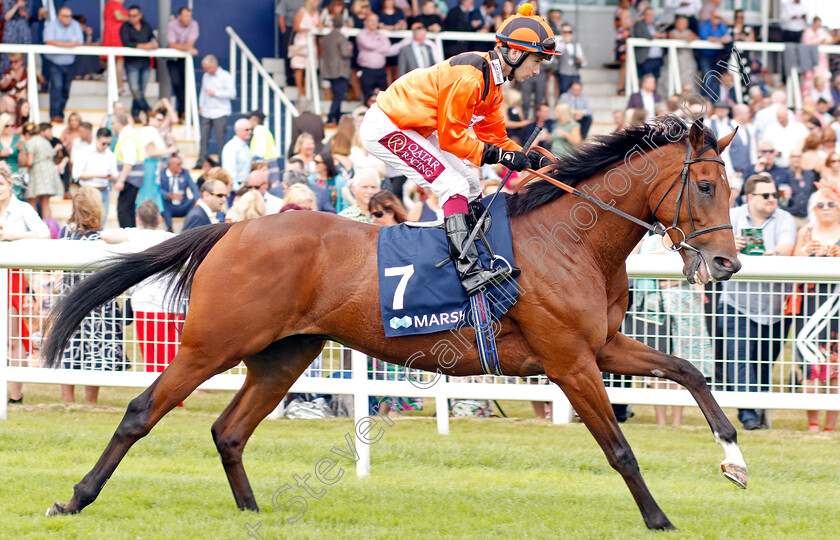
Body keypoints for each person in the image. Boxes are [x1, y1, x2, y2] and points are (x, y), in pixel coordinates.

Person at [360, 3, 552, 296]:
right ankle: (467, 271)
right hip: (388, 126)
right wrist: (501, 156)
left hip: (417, 127)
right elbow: (452, 138)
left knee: (473, 182)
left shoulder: (494, 84)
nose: (537, 70)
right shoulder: (470, 76)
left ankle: (482, 256)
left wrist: (526, 157)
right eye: (536, 61)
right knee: (453, 185)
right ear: (515, 53)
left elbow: (493, 136)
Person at [719, 174, 796, 431]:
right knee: (739, 359)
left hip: (774, 308)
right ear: (751, 198)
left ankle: (758, 409)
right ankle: (748, 416)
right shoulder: (731, 216)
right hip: (736, 302)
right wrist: (732, 245)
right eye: (766, 195)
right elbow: (715, 247)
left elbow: (787, 245)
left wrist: (772, 253)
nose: (772, 199)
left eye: (775, 195)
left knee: (764, 363)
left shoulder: (784, 218)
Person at [101, 200, 186, 374]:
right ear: (160, 219)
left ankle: (158, 398)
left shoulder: (135, 235)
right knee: (174, 354)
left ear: (138, 221)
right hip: (174, 304)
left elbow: (106, 235)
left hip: (147, 305)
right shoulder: (172, 238)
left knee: (154, 358)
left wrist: (131, 232)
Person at [59, 187, 124, 405]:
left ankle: (67, 400)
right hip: (96, 303)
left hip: (70, 299)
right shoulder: (102, 238)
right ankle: (90, 402)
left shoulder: (65, 233)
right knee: (96, 349)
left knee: (69, 346)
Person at [1, 161, 50, 405]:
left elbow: (44, 233)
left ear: (10, 184)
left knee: (13, 334)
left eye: (1, 184)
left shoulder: (22, 209)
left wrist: (12, 236)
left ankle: (15, 393)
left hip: (13, 275)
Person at [791, 190, 840, 433]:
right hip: (810, 305)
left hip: (836, 305)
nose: (826, 208)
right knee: (811, 365)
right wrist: (808, 251)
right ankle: (812, 423)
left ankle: (830, 426)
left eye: (831, 203)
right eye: (820, 204)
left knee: (835, 368)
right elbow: (794, 260)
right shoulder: (806, 232)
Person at [356, 12, 410, 103]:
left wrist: (378, 47)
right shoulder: (361, 34)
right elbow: (369, 45)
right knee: (367, 96)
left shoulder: (381, 35)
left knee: (384, 95)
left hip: (380, 70)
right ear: (366, 22)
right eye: (371, 20)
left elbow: (387, 48)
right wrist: (381, 46)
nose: (373, 23)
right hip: (367, 70)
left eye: (375, 21)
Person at [43, 6, 83, 123]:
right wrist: (67, 44)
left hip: (70, 62)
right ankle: (55, 115)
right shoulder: (52, 25)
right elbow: (48, 40)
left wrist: (63, 44)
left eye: (70, 16)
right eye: (66, 16)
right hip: (55, 62)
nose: (69, 19)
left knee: (66, 89)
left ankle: (60, 113)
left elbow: (80, 42)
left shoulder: (75, 25)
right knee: (57, 87)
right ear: (59, 16)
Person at [72, 127, 118, 227]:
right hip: (88, 192)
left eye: (108, 144)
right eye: (103, 143)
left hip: (104, 191)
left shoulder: (110, 155)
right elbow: (76, 174)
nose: (106, 146)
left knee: (101, 224)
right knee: (85, 223)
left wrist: (110, 177)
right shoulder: (84, 152)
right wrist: (97, 176)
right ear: (96, 139)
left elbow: (115, 177)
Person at [120, 5, 157, 119]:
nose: (131, 18)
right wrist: (142, 46)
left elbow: (152, 38)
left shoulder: (146, 26)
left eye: (134, 16)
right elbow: (126, 42)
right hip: (132, 63)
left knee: (141, 90)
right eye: (129, 16)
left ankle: (135, 114)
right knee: (135, 89)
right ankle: (147, 109)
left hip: (145, 63)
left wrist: (154, 44)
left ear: (140, 16)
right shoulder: (125, 27)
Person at [198, 54, 235, 167]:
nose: (205, 70)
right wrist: (201, 105)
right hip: (207, 111)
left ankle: (222, 161)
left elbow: (232, 94)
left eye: (206, 68)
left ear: (213, 66)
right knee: (204, 137)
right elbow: (203, 92)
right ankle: (201, 160)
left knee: (220, 138)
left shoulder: (225, 76)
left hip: (220, 111)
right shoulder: (206, 76)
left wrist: (216, 93)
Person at [136, 110, 177, 211]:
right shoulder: (150, 131)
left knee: (150, 193)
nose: (160, 122)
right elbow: (150, 152)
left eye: (161, 120)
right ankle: (147, 216)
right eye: (158, 119)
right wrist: (170, 150)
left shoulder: (148, 130)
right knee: (149, 194)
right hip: (150, 165)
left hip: (152, 166)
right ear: (151, 119)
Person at [165, 7, 198, 121]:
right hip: (172, 58)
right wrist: (187, 48)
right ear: (179, 16)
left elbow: (189, 43)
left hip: (185, 59)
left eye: (189, 16)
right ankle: (182, 111)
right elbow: (172, 44)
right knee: (177, 84)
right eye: (185, 16)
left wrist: (185, 48)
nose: (188, 19)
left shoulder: (194, 24)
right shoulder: (172, 25)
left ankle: (183, 112)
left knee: (185, 84)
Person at [22, 123, 61, 220]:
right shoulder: (45, 141)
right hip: (50, 170)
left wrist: (18, 164)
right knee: (45, 202)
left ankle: (34, 225)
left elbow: (29, 162)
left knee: (32, 200)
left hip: (38, 172)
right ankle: (48, 227)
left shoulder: (30, 142)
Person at [112, 113, 144, 227]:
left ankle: (128, 236)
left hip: (130, 179)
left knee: (123, 210)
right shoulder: (130, 135)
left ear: (119, 123)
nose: (112, 126)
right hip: (133, 178)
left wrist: (121, 180)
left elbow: (129, 161)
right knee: (129, 209)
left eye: (113, 123)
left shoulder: (127, 138)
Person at [320, 21, 353, 128]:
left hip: (329, 71)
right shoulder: (341, 37)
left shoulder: (326, 37)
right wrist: (350, 50)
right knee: (339, 96)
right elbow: (345, 53)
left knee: (337, 95)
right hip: (340, 71)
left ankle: (337, 118)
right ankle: (331, 117)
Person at [289, 0, 322, 98]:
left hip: (312, 43)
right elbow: (296, 27)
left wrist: (319, 27)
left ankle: (307, 89)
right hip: (301, 41)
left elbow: (319, 25)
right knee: (299, 67)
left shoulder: (316, 13)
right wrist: (307, 29)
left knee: (310, 66)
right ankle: (301, 90)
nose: (317, 3)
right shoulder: (301, 11)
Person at [159, 154, 197, 230]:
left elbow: (194, 186)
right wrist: (169, 195)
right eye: (178, 164)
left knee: (192, 202)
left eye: (181, 164)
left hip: (182, 205)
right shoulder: (162, 174)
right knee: (162, 201)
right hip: (169, 206)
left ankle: (187, 228)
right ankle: (170, 227)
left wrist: (197, 199)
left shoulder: (185, 173)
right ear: (170, 165)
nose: (180, 166)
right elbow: (157, 189)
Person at [784, 150, 817, 228]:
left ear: (802, 158)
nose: (796, 159)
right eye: (794, 156)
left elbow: (813, 194)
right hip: (790, 215)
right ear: (789, 158)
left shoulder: (810, 175)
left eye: (799, 157)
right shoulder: (784, 174)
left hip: (807, 216)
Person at [632, 8, 667, 81]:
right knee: (646, 80)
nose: (651, 17)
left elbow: (660, 36)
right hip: (645, 58)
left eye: (652, 15)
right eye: (649, 15)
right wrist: (654, 36)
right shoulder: (639, 24)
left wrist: (662, 36)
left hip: (658, 59)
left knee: (656, 80)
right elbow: (639, 35)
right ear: (644, 16)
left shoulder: (656, 26)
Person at [102, 0, 129, 95]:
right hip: (115, 36)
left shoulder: (114, 4)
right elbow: (119, 17)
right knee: (118, 60)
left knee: (116, 61)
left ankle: (116, 86)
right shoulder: (113, 4)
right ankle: (119, 87)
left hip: (116, 35)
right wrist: (132, 18)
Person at [221, 118, 253, 192]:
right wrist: (236, 188)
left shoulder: (245, 147)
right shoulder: (231, 146)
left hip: (245, 186)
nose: (250, 132)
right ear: (238, 131)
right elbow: (229, 170)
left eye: (251, 129)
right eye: (246, 130)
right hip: (236, 189)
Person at [1, 0, 32, 74]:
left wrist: (24, 13)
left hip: (23, 30)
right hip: (11, 31)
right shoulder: (7, 1)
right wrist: (17, 5)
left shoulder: (26, 2)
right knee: (8, 54)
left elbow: (29, 17)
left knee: (24, 54)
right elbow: (6, 17)